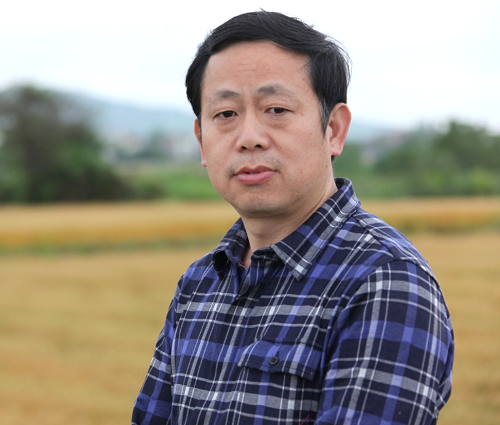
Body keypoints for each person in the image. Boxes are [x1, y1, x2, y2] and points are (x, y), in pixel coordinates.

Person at [132, 11, 454, 425]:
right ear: (201, 141)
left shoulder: (385, 281)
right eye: (225, 114)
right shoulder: (199, 284)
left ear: (333, 129)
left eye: (277, 109)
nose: (249, 137)